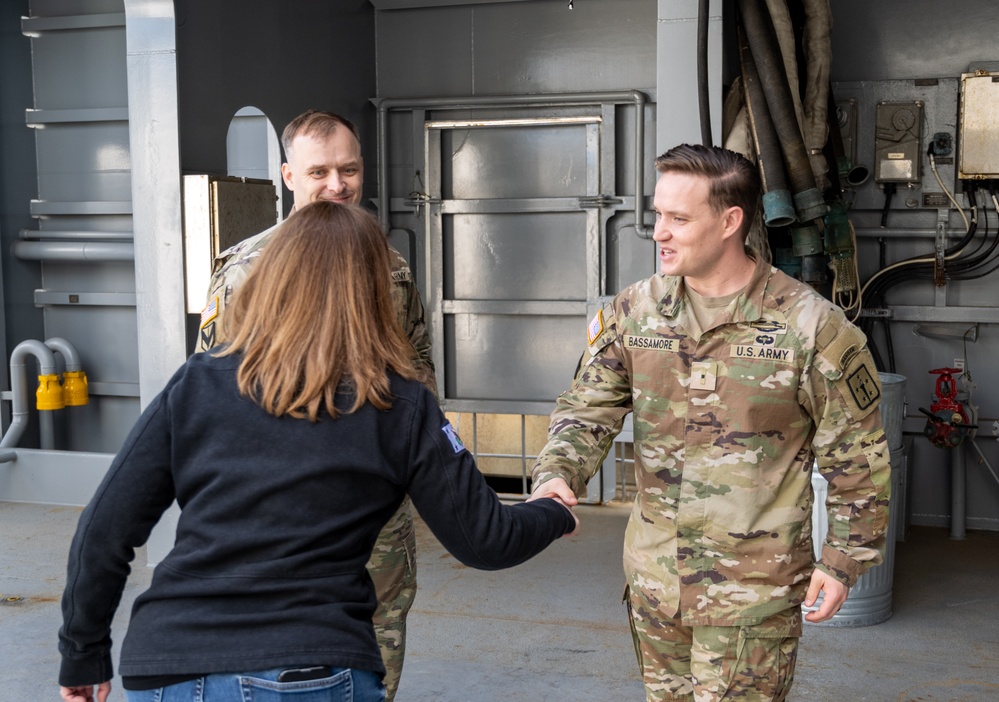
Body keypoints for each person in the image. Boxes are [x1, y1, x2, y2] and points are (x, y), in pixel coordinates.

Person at [58, 201, 578, 702]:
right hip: (310, 669)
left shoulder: (197, 383)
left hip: (169, 662)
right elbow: (484, 540)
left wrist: (83, 653)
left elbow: (104, 530)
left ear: (273, 279)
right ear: (374, 290)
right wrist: (553, 511)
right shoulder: (400, 404)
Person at [529, 144, 891, 701]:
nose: (659, 233)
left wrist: (843, 560)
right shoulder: (636, 312)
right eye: (656, 215)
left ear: (730, 222)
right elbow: (587, 408)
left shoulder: (808, 326)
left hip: (752, 593)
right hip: (654, 582)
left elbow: (856, 455)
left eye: (678, 218)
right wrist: (558, 473)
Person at [195, 110, 432, 701]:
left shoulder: (390, 266)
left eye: (348, 170)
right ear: (287, 175)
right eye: (319, 170)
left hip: (375, 503)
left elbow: (418, 374)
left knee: (378, 644)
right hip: (282, 507)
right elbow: (213, 394)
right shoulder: (248, 272)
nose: (337, 184)